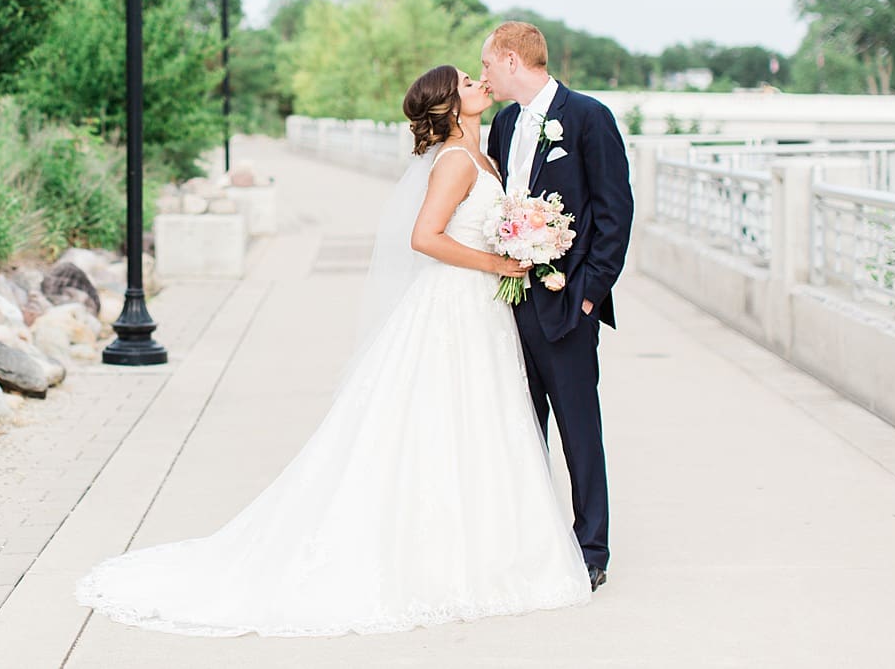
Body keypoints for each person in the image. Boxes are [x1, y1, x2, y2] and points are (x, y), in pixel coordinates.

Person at [74, 65, 591, 638]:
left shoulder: (485, 155)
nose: (479, 84)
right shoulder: (453, 162)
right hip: (453, 304)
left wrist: (524, 237)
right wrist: (500, 261)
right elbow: (424, 237)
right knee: (439, 417)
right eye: (468, 81)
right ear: (448, 105)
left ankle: (495, 550)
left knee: (484, 418)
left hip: (484, 309)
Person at [480, 21, 633, 591]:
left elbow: (615, 212)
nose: (486, 75)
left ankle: (591, 547)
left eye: (490, 64)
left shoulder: (588, 117)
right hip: (508, 303)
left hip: (568, 304)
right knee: (520, 428)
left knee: (578, 429)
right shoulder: (502, 122)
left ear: (514, 60)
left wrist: (589, 293)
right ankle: (533, 540)